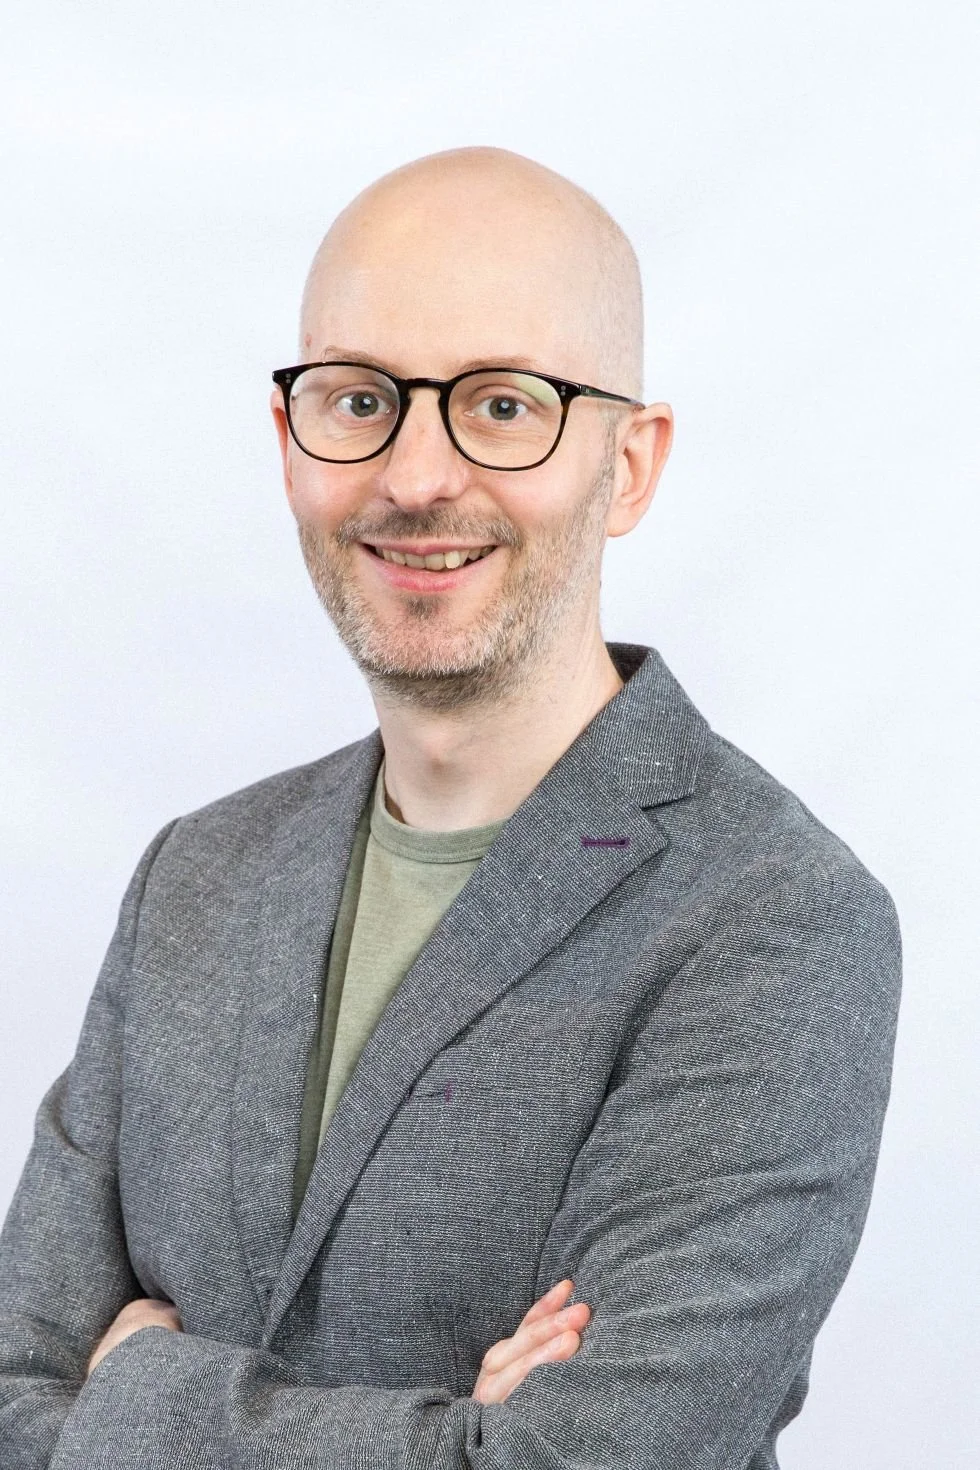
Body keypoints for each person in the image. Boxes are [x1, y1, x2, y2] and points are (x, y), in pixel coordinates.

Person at [0, 146, 902, 1470]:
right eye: (360, 398)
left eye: (500, 405)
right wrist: (458, 1433)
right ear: (290, 441)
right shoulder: (193, 877)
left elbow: (584, 1464)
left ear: (632, 462)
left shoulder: (777, 923)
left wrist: (139, 1396)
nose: (417, 475)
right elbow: (12, 1397)